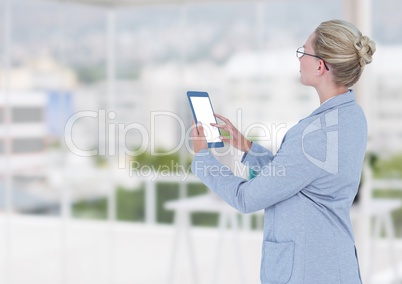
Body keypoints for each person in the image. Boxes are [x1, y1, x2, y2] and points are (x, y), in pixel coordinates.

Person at [189, 19, 376, 284]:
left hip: (308, 271)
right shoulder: (352, 116)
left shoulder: (315, 134)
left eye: (303, 52)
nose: (299, 60)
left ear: (320, 66)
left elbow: (247, 199)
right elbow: (296, 179)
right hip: (336, 264)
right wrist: (248, 147)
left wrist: (202, 158)